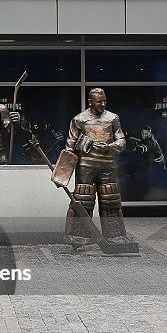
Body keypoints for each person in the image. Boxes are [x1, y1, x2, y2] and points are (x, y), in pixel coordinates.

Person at [64, 88, 130, 245]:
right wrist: (63, 171)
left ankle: (114, 235)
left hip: (108, 165)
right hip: (86, 165)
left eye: (104, 100)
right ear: (90, 102)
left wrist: (109, 147)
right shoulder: (79, 119)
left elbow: (122, 141)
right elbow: (70, 146)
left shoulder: (112, 118)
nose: (103, 104)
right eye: (99, 101)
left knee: (110, 199)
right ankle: (78, 235)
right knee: (84, 199)